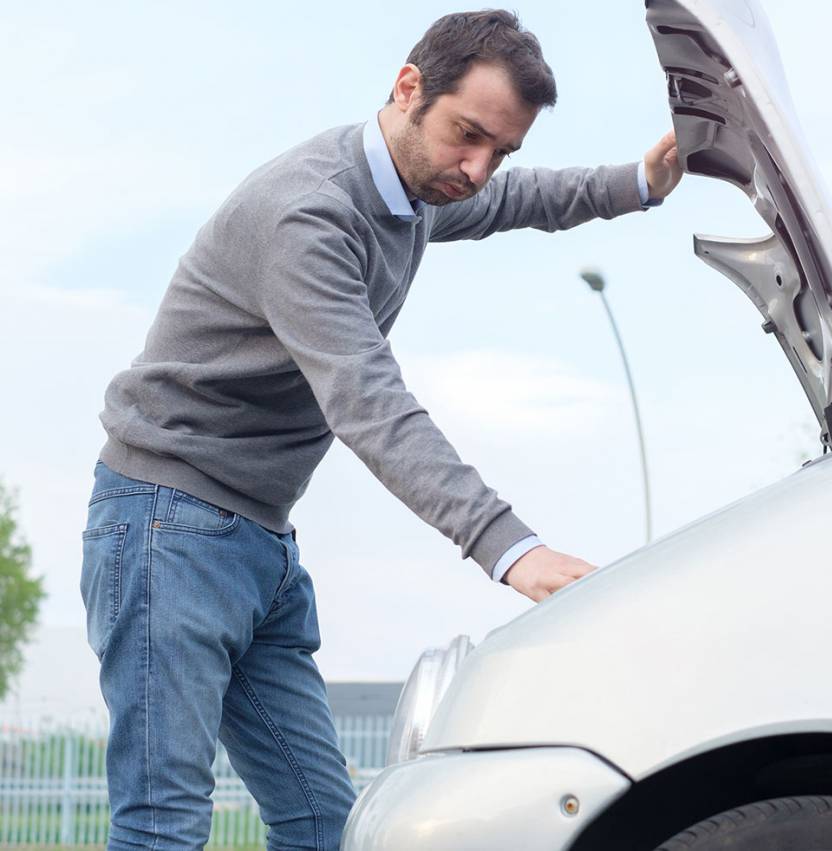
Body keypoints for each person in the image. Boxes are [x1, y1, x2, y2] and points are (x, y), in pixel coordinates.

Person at [78, 9, 683, 851]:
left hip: (256, 542)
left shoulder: (413, 193)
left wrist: (639, 182)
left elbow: (521, 198)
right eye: (466, 135)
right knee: (162, 827)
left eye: (498, 148)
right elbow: (367, 400)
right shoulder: (309, 216)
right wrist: (508, 545)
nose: (476, 169)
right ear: (407, 88)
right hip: (165, 528)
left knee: (329, 821)